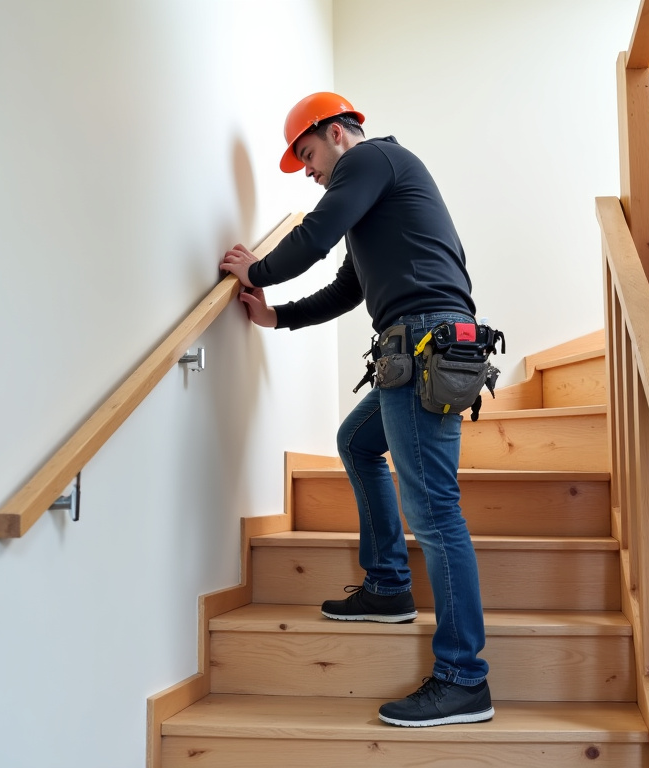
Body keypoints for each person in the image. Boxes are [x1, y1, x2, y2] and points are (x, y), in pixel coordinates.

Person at [219, 92, 492, 728]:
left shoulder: (371, 160)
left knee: (434, 509)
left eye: (308, 156)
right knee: (357, 441)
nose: (311, 172)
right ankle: (389, 585)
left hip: (425, 339)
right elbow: (349, 286)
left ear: (337, 133)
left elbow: (313, 237)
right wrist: (278, 315)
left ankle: (463, 679)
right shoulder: (377, 191)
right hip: (415, 342)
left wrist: (256, 270)